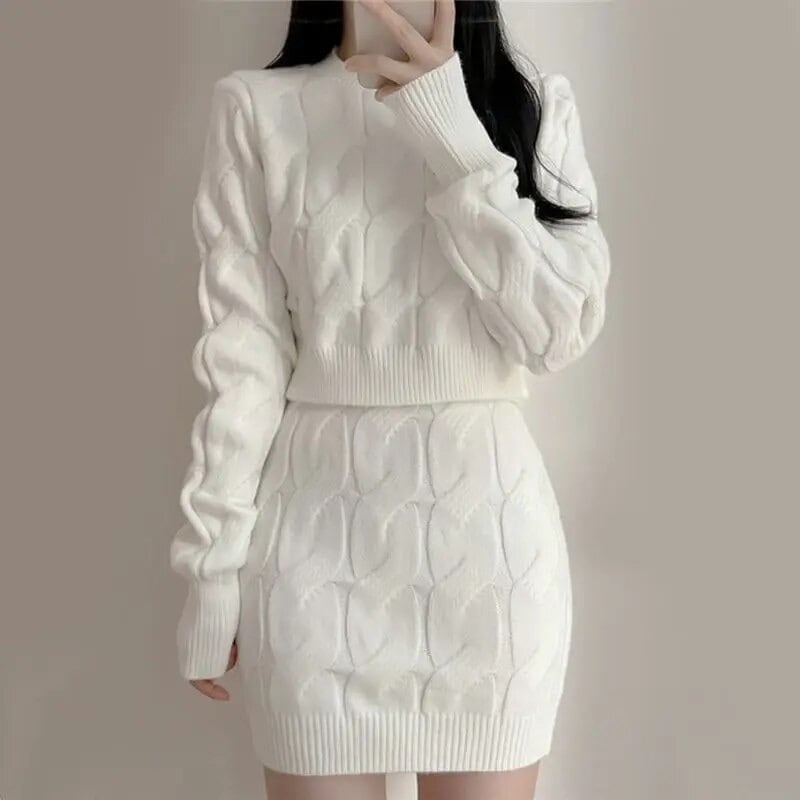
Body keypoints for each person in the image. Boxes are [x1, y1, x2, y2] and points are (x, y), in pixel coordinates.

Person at [169, 0, 611, 797]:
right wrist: (211, 569)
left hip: (492, 566)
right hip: (311, 561)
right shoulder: (256, 110)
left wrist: (452, 130)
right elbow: (242, 363)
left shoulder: (533, 105)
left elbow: (557, 332)